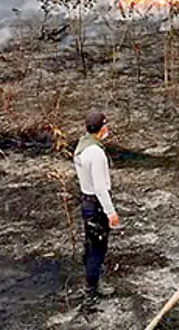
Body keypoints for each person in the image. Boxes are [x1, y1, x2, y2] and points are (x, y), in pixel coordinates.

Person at [73, 111, 120, 299]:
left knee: (90, 243)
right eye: (105, 125)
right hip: (96, 204)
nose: (107, 128)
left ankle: (90, 280)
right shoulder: (96, 153)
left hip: (86, 201)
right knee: (98, 248)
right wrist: (111, 212)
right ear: (101, 128)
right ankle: (92, 288)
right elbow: (100, 187)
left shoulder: (81, 146)